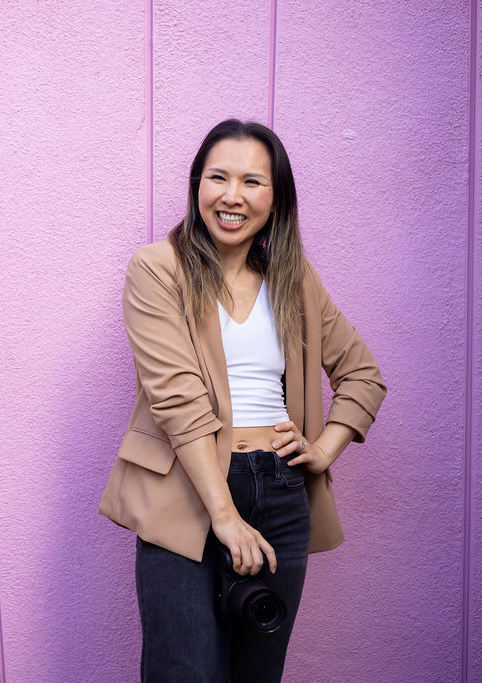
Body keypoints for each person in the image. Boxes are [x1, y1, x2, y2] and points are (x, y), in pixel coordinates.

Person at [99, 119, 386, 682]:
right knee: (184, 671)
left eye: (253, 181)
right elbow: (178, 402)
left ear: (276, 198)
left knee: (258, 674)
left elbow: (362, 374)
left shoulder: (294, 278)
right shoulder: (158, 268)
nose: (232, 196)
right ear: (197, 186)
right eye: (218, 178)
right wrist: (224, 518)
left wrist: (325, 449)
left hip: (280, 492)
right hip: (187, 488)